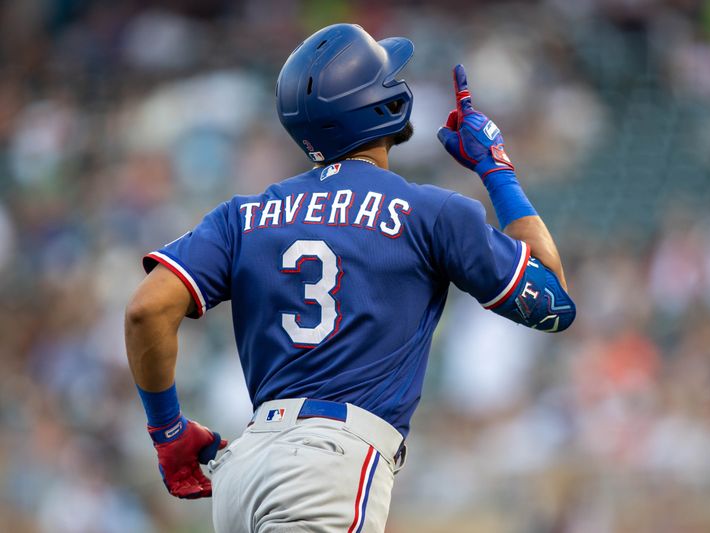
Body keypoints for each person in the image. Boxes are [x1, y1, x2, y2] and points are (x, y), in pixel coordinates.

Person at [124, 23, 575, 533]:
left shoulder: (242, 215)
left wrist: (168, 432)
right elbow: (552, 303)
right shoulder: (430, 211)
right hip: (329, 463)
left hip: (242, 472)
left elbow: (146, 309)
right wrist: (497, 169)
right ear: (383, 104)